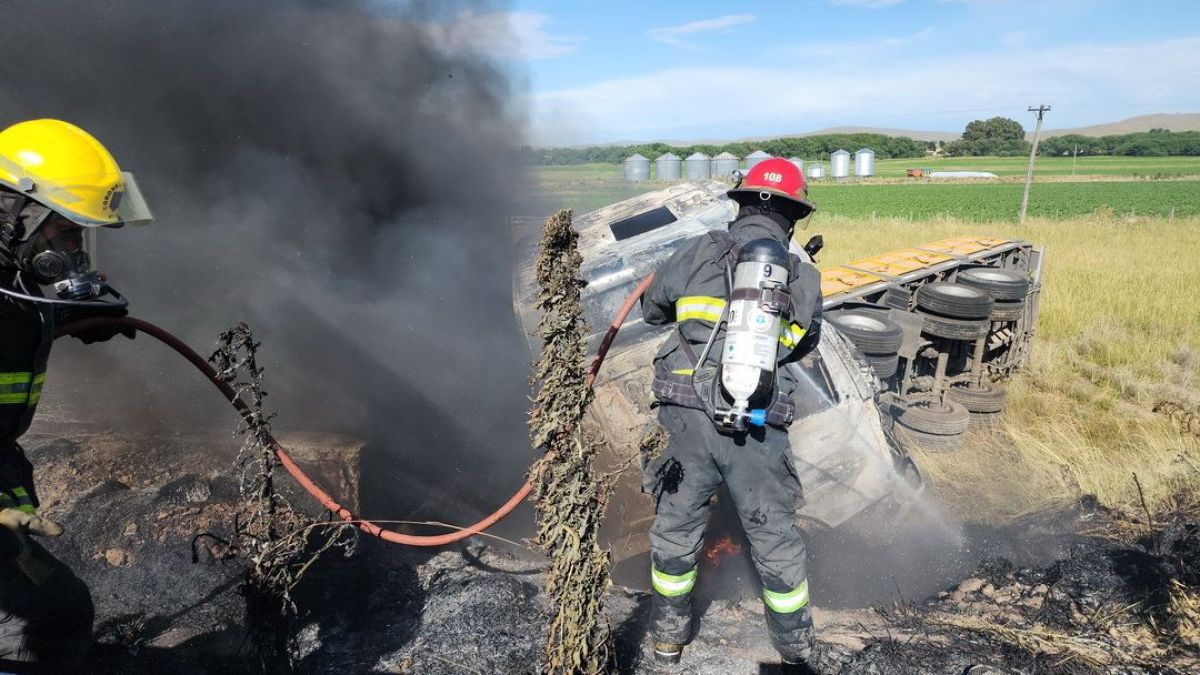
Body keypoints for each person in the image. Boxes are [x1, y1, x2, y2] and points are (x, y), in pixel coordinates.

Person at [640, 157, 822, 667]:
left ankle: (668, 641)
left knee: (676, 528)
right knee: (775, 537)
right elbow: (803, 344)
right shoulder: (802, 274)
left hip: (686, 418)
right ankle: (796, 653)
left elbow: (652, 310)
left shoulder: (695, 251)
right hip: (759, 423)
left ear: (739, 204)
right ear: (793, 217)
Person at [0, 118, 153, 671]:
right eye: (63, 233)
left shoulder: (12, 286)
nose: (70, 251)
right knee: (31, 628)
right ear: (19, 216)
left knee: (56, 610)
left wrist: (65, 322)